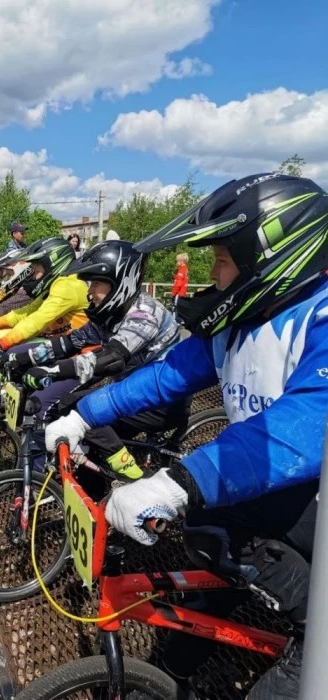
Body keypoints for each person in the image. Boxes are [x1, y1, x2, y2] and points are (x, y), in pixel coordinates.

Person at [45, 173, 328, 699]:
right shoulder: (241, 320)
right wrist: (84, 415)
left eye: (221, 261)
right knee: (206, 528)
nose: (212, 275)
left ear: (273, 257)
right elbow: (167, 374)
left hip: (316, 501)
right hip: (286, 496)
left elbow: (307, 425)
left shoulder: (321, 316)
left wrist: (177, 481)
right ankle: (177, 671)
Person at [15, 239, 186, 479]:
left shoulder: (144, 314)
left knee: (76, 407)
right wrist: (21, 358)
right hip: (133, 393)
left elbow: (110, 358)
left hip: (161, 402)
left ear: (119, 282)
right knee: (85, 440)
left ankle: (133, 477)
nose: (89, 292)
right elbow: (68, 343)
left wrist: (52, 371)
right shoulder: (112, 313)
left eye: (96, 283)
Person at [0, 237, 88, 353]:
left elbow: (37, 320)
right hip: (63, 342)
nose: (33, 275)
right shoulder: (56, 283)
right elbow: (28, 311)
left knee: (14, 355)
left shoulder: (68, 285)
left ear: (51, 263)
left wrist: (0, 343)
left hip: (80, 349)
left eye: (36, 269)